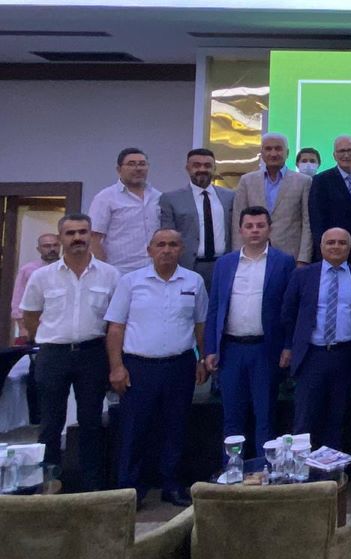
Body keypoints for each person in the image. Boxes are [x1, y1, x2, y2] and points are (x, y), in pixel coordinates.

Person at [105, 228, 208, 506]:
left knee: (176, 429)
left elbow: (200, 324)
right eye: (160, 244)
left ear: (181, 249)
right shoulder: (130, 282)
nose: (167, 250)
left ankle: (171, 486)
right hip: (139, 367)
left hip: (180, 365)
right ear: (149, 250)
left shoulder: (194, 281)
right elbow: (116, 328)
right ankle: (130, 492)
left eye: (173, 244)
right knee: (134, 430)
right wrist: (116, 367)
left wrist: (201, 358)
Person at [17, 215, 116, 490]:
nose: (77, 238)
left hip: (92, 353)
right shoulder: (42, 276)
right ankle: (49, 484)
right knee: (50, 423)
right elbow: (30, 317)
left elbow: (115, 320)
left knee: (91, 422)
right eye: (70, 233)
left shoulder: (110, 275)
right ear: (61, 238)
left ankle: (92, 486)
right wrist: (49, 338)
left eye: (83, 232)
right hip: (53, 355)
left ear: (90, 235)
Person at [204, 206, 294, 457]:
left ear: (269, 229)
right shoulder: (225, 263)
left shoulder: (283, 262)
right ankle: (233, 471)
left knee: (265, 416)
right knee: (232, 417)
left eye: (260, 226)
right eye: (249, 226)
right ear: (240, 230)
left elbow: (289, 309)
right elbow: (214, 308)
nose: (255, 231)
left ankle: (266, 470)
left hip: (265, 349)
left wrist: (288, 345)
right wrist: (210, 349)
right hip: (231, 350)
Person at [280, 228, 351, 450]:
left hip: (344, 356)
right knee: (305, 419)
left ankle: (332, 469)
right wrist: (289, 346)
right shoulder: (303, 275)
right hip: (312, 356)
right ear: (321, 246)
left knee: (337, 419)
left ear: (350, 247)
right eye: (330, 242)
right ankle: (301, 469)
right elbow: (288, 313)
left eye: (342, 243)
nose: (336, 246)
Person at [159, 147, 234, 289]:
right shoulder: (171, 199)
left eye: (207, 165)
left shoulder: (230, 197)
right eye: (196, 165)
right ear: (187, 168)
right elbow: (167, 236)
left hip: (223, 265)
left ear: (214, 168)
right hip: (188, 266)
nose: (202, 169)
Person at [232, 133, 313, 263]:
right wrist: (237, 255)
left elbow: (307, 223)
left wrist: (303, 259)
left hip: (290, 255)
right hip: (252, 255)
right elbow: (238, 220)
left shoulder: (303, 181)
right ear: (262, 153)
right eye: (268, 149)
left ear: (287, 153)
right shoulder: (247, 181)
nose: (273, 153)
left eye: (278, 149)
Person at [88, 147, 162, 274]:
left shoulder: (157, 196)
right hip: (119, 271)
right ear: (119, 169)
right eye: (131, 164)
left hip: (153, 270)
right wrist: (104, 271)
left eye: (142, 164)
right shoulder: (106, 197)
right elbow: (94, 239)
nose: (138, 168)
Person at [308, 136, 351, 264]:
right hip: (334, 250)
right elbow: (317, 220)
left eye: (350, 150)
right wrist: (322, 253)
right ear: (334, 155)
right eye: (341, 151)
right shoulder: (321, 181)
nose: (346, 155)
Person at [11, 232, 59, 341]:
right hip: (35, 326)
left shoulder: (67, 268)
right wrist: (22, 328)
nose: (52, 249)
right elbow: (18, 298)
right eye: (47, 246)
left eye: (55, 245)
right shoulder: (28, 270)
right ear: (38, 249)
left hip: (60, 326)